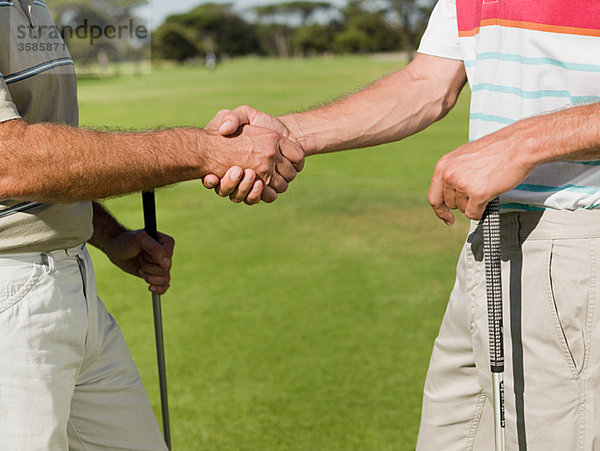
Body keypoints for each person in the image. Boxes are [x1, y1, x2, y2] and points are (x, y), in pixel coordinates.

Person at [203, 0, 600, 448]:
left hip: (576, 241)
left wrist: (523, 142)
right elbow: (426, 83)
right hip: (489, 244)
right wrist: (288, 135)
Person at [0, 2, 303, 449]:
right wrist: (204, 152)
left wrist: (108, 234)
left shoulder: (31, 5)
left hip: (71, 282)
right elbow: (11, 160)